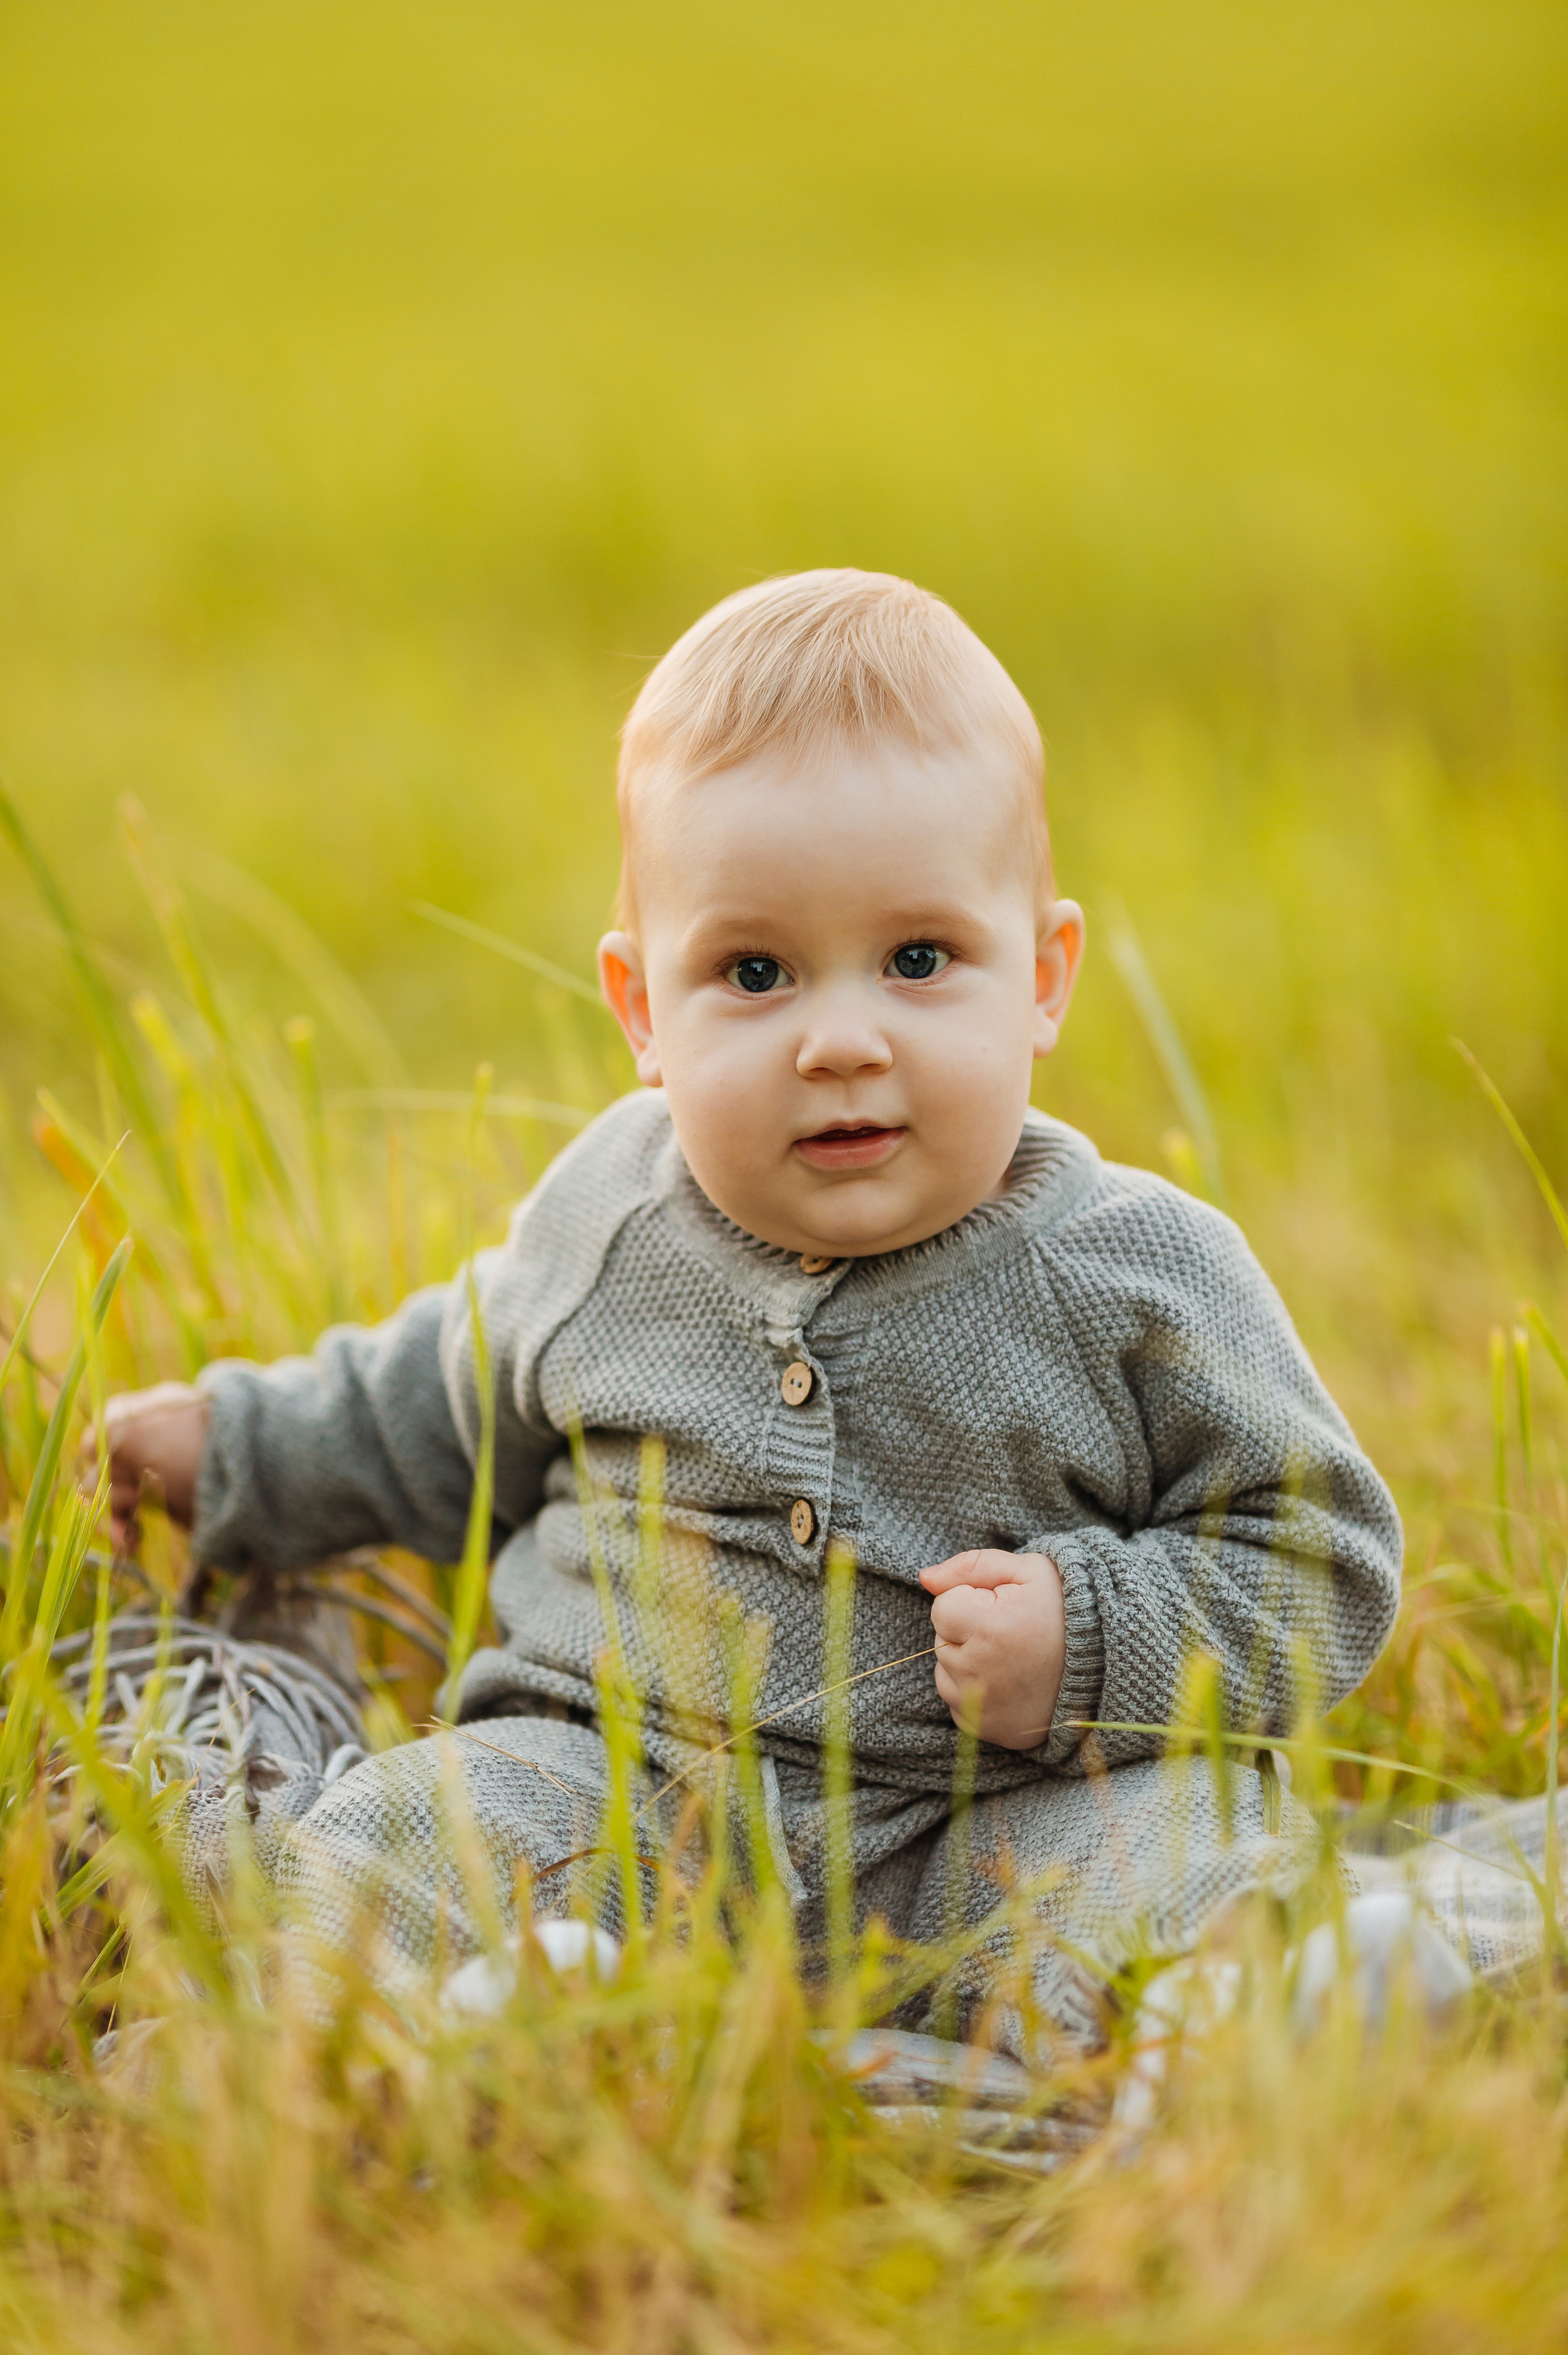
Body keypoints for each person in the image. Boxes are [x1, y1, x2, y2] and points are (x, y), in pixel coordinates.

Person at [95, 569, 1402, 2050]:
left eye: (918, 961)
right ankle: (482, 2024)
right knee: (412, 1828)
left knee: (1171, 1862)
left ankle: (1236, 2021)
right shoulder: (609, 1218)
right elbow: (433, 1402)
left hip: (1003, 1821)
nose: (839, 1041)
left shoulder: (1133, 1275)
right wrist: (238, 1449)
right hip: (623, 1781)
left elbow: (1319, 1559)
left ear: (1040, 978)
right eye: (754, 972)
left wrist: (1086, 1641)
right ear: (642, 1010)